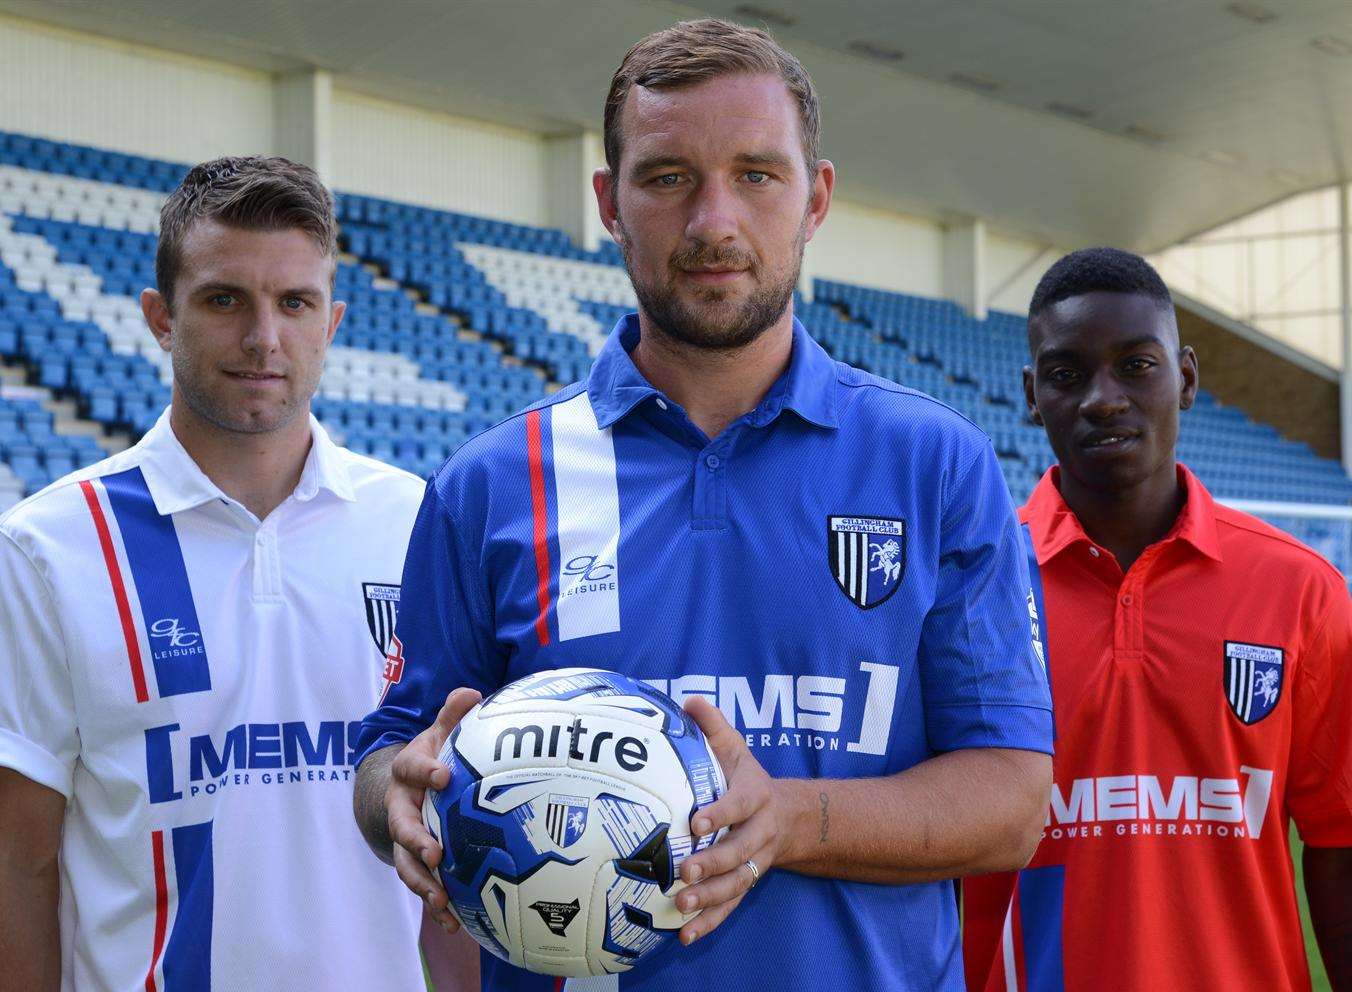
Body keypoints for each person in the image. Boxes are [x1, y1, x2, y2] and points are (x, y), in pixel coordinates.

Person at [353, 18, 1053, 992]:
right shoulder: (490, 482)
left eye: (756, 174)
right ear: (608, 199)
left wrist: (787, 820)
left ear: (815, 197)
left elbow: (1012, 801)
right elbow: (392, 749)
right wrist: (397, 790)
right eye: (667, 175)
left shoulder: (933, 463)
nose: (712, 220)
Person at [0, 156, 436, 991]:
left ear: (332, 321)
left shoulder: (415, 523)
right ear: (162, 318)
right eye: (225, 299)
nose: (263, 338)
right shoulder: (48, 547)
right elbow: (19, 865)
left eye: (295, 303)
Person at [961, 247, 1352, 991]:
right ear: (1031, 395)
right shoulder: (972, 591)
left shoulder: (1301, 591)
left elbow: (1339, 845)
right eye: (1067, 373)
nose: (1102, 399)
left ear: (1188, 378)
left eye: (1136, 365)